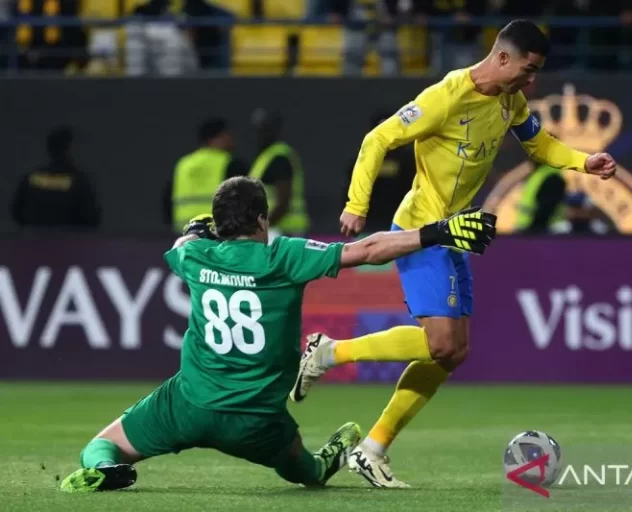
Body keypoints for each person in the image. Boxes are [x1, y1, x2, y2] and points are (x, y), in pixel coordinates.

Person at [290, 20, 617, 488]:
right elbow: (378, 139)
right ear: (503, 58)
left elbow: (538, 143)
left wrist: (582, 161)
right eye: (528, 70)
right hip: (422, 229)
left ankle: (373, 449)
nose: (531, 81)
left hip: (458, 232)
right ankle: (328, 352)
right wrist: (356, 205)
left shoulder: (510, 98)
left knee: (452, 353)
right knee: (440, 343)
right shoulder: (445, 97)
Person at [59, 176, 497, 493]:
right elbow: (368, 250)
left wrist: (196, 230)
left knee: (101, 445)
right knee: (305, 472)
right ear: (263, 218)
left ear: (218, 223)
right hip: (258, 421)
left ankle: (107, 470)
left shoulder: (194, 256)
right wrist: (438, 232)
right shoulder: (282, 257)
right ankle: (330, 457)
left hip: (187, 405)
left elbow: (181, 245)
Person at [167, 118, 249, 232]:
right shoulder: (229, 163)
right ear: (215, 138)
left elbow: (168, 198)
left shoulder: (183, 164)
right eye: (227, 136)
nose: (232, 140)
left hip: (184, 231)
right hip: (217, 231)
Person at [11, 126, 101, 228]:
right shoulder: (79, 181)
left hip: (36, 239)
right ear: (69, 150)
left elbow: (17, 212)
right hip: (70, 240)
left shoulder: (33, 178)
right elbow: (91, 217)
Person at [249, 108, 309, 237]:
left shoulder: (279, 158)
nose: (262, 133)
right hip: (275, 230)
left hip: (283, 232)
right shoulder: (265, 157)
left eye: (266, 128)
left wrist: (260, 228)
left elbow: (283, 201)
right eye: (260, 128)